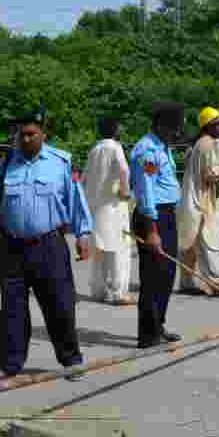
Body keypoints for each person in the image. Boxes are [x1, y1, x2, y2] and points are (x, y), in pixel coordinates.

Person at [0, 109, 93, 382]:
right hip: (12, 247)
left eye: (32, 134)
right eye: (22, 134)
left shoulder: (60, 162)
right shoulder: (8, 163)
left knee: (60, 305)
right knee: (12, 309)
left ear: (44, 135)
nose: (27, 139)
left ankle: (71, 361)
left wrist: (83, 234)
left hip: (49, 244)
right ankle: (9, 365)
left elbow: (75, 199)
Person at [131, 102, 184, 348]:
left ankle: (158, 325)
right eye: (174, 130)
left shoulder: (162, 147)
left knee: (167, 274)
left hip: (166, 216)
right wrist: (152, 231)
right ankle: (148, 335)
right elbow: (146, 192)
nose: (177, 135)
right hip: (152, 218)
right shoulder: (147, 151)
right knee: (153, 277)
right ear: (161, 126)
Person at [178, 106, 219, 295]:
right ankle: (216, 283)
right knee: (207, 242)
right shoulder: (208, 144)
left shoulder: (198, 144)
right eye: (218, 124)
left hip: (190, 198)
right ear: (208, 126)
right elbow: (211, 176)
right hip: (200, 200)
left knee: (190, 244)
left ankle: (186, 282)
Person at [83, 116, 135, 305]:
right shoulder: (115, 147)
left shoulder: (94, 150)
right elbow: (124, 170)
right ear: (114, 130)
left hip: (96, 207)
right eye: (120, 127)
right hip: (114, 206)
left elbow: (85, 179)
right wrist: (125, 191)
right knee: (118, 249)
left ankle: (99, 290)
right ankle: (118, 292)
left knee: (100, 249)